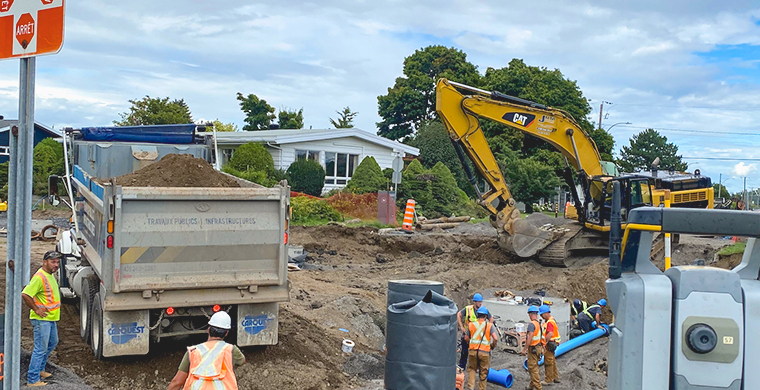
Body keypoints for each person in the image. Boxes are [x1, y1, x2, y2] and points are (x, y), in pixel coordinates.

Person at [167, 311, 246, 390]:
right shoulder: (231, 350)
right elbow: (242, 361)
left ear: (208, 330)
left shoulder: (192, 352)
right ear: (226, 333)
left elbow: (177, 383)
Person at [22, 251, 62, 387]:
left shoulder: (50, 275)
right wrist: (36, 309)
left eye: (57, 262)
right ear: (45, 262)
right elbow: (26, 294)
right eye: (53, 262)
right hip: (41, 319)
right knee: (40, 348)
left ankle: (40, 370)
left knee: (52, 342)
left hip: (50, 318)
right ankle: (32, 380)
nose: (56, 265)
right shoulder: (39, 277)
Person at [464, 306, 497, 390]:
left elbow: (466, 338)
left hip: (473, 351)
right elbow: (495, 338)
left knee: (471, 369)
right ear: (485, 316)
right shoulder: (489, 326)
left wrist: (471, 343)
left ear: (477, 315)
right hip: (485, 352)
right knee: (483, 372)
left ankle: (471, 387)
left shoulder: (471, 325)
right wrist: (492, 345)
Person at [457, 293, 492, 371]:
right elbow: (458, 315)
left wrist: (488, 328)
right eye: (479, 302)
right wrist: (461, 327)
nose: (480, 303)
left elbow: (491, 318)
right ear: (474, 302)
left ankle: (476, 367)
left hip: (478, 336)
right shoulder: (468, 309)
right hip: (468, 334)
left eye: (481, 302)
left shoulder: (483, 310)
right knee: (465, 351)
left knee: (477, 352)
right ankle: (462, 366)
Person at [522, 305, 544, 390]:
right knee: (534, 367)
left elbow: (529, 337)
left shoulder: (532, 324)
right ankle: (532, 385)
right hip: (538, 347)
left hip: (533, 349)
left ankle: (538, 387)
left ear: (530, 314)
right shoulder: (538, 323)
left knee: (532, 368)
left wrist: (524, 349)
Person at [539, 305, 561, 385]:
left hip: (550, 343)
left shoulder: (549, 323)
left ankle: (549, 380)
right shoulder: (551, 320)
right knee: (552, 361)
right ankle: (555, 377)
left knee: (548, 362)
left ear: (545, 313)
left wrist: (544, 343)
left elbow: (550, 333)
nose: (541, 316)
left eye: (541, 314)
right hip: (553, 343)